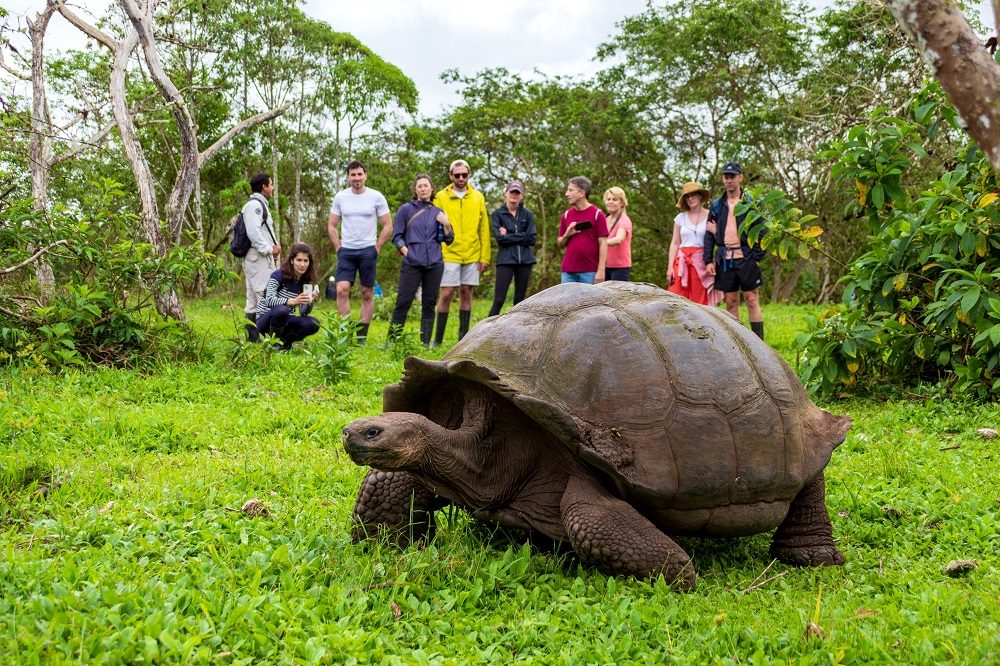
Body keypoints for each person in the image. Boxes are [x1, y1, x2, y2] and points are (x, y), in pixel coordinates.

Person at [327, 160, 393, 344]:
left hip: (368, 250)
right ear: (348, 177)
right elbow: (332, 225)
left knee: (367, 293)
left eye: (359, 174)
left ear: (365, 175)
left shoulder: (376, 197)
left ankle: (361, 337)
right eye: (353, 175)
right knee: (341, 290)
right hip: (346, 250)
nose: (356, 178)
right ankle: (345, 335)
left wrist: (377, 247)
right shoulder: (341, 197)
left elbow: (388, 225)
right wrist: (338, 247)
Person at [386, 174, 455, 347]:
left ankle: (425, 343)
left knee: (429, 303)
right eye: (420, 186)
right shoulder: (405, 210)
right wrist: (406, 252)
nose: (423, 189)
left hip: (435, 263)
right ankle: (392, 341)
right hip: (412, 262)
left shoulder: (438, 212)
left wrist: (446, 224)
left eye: (426, 185)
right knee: (403, 302)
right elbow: (397, 236)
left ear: (432, 189)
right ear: (415, 189)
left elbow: (449, 240)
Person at [704, 162, 767, 339]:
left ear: (740, 177)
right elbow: (709, 234)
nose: (729, 180)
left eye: (732, 176)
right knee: (730, 301)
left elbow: (762, 230)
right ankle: (737, 341)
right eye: (726, 177)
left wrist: (756, 257)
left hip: (746, 257)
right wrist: (708, 260)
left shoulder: (750, 203)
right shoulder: (717, 206)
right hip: (725, 259)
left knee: (751, 299)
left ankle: (759, 342)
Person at [432, 159, 490, 346]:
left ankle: (463, 338)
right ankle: (438, 340)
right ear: (450, 176)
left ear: (469, 174)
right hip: (449, 252)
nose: (460, 178)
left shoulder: (478, 197)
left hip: (472, 253)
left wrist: (484, 256)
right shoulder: (441, 196)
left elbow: (484, 228)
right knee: (447, 293)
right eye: (456, 175)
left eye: (464, 175)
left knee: (466, 293)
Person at [255, 242, 320, 350]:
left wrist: (310, 301)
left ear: (309, 262)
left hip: (287, 319)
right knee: (282, 310)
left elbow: (304, 312)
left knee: (314, 323)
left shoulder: (306, 282)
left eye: (305, 261)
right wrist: (293, 301)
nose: (302, 264)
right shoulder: (278, 275)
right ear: (292, 260)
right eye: (299, 260)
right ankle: (274, 344)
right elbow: (270, 300)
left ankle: (285, 343)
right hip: (266, 319)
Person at [668, 181, 723, 307]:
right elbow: (675, 243)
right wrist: (670, 267)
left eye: (693, 195)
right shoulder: (680, 218)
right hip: (681, 261)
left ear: (699, 196)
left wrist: (716, 231)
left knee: (700, 300)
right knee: (676, 298)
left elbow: (719, 238)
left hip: (701, 261)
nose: (690, 198)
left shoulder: (711, 215)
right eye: (687, 196)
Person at [488, 180, 537, 316]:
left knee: (520, 300)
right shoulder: (498, 214)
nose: (514, 195)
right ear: (506, 193)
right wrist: (522, 235)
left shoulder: (528, 215)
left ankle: (517, 333)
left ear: (521, 195)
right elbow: (500, 239)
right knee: (499, 300)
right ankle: (486, 331)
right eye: (512, 192)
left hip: (525, 261)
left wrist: (509, 235)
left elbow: (532, 239)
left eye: (517, 193)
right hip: (506, 260)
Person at [242, 173, 280, 342]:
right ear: (264, 187)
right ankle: (269, 338)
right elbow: (253, 232)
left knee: (252, 299)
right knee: (265, 296)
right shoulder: (255, 206)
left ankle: (253, 338)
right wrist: (268, 249)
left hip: (256, 258)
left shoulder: (260, 205)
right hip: (258, 258)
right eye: (270, 184)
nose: (272, 187)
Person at [558, 176, 608, 284]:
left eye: (570, 190)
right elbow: (560, 243)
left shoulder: (597, 214)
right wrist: (567, 234)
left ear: (581, 193)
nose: (566, 194)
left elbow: (603, 243)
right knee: (566, 301)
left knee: (590, 302)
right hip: (568, 272)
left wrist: (601, 270)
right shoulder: (566, 215)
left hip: (590, 272)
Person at [602, 187, 633, 281]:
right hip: (604, 266)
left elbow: (619, 239)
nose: (610, 202)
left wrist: (600, 243)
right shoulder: (605, 220)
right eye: (608, 199)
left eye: (614, 199)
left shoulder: (624, 220)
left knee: (616, 295)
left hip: (620, 268)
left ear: (622, 203)